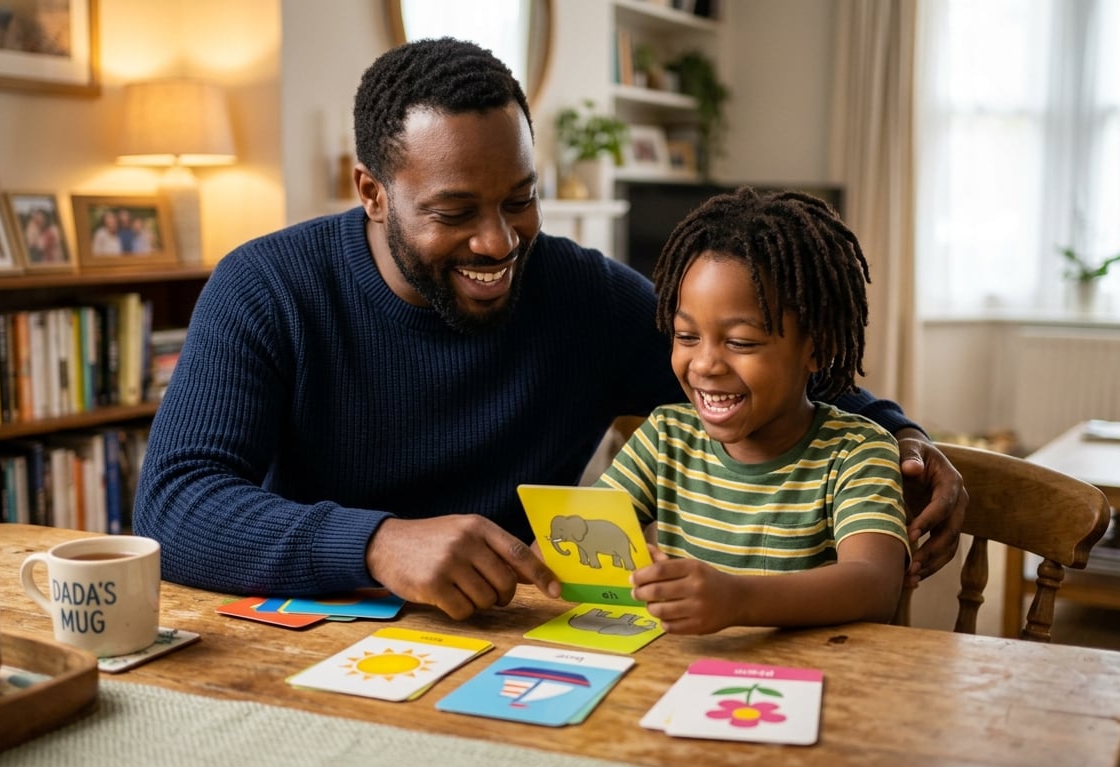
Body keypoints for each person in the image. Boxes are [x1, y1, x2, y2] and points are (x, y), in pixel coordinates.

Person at [133, 38, 965, 622]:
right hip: (312, 644)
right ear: (372, 192)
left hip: (514, 648)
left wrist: (906, 436)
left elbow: (766, 370)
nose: (499, 242)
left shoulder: (579, 294)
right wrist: (378, 543)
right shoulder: (265, 288)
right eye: (455, 212)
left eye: (520, 199)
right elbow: (174, 506)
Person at [598, 188, 907, 635]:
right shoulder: (665, 437)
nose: (705, 364)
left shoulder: (856, 452)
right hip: (681, 669)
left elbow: (875, 586)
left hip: (812, 673)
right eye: (686, 337)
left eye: (741, 342)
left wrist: (738, 599)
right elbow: (574, 537)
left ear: (817, 349)